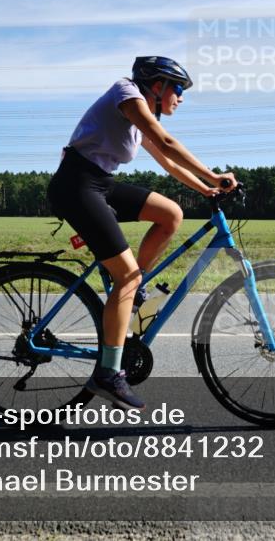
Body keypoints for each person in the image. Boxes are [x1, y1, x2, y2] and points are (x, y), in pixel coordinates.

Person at [47, 56, 237, 410]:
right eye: (178, 89)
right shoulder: (126, 93)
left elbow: (166, 161)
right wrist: (213, 176)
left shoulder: (139, 119)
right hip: (77, 186)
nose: (180, 98)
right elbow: (165, 143)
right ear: (157, 85)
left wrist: (206, 190)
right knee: (127, 278)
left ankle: (131, 288)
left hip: (99, 184)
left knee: (170, 215)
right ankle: (107, 372)